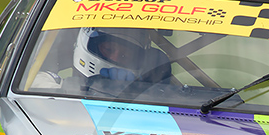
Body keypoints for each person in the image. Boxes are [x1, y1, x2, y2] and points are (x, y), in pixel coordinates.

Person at [30, 27, 171, 92]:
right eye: (108, 49)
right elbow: (34, 90)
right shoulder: (47, 83)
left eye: (124, 56)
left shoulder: (144, 100)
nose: (114, 58)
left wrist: (136, 91)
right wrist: (83, 88)